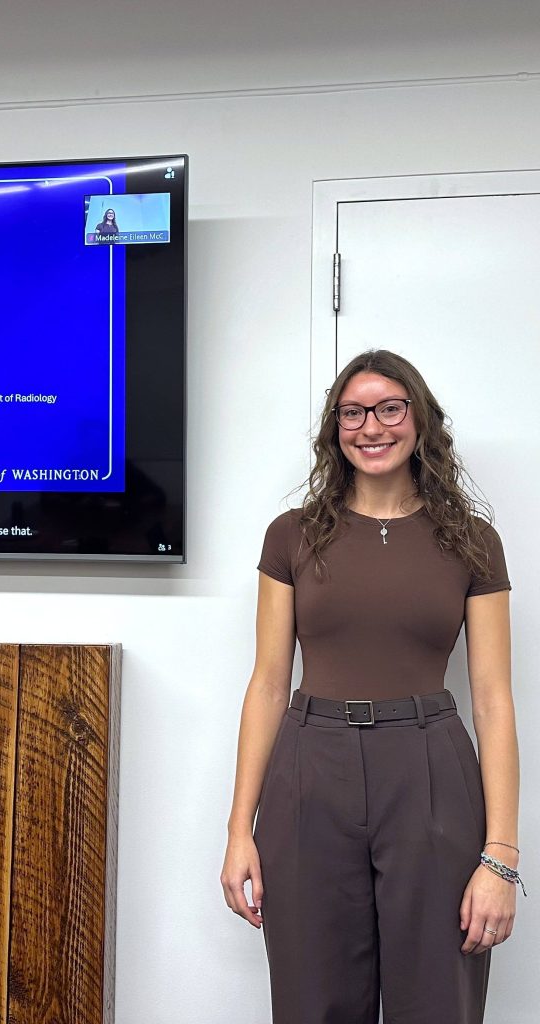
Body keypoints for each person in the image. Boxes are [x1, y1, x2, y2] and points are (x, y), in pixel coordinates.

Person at [220, 350, 522, 1024]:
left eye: (390, 408)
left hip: (430, 768)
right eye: (353, 413)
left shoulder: (472, 542)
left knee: (438, 1001)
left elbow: (495, 700)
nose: (372, 427)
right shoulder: (292, 537)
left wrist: (500, 857)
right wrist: (240, 830)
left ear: (419, 421)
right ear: (335, 430)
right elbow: (269, 684)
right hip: (311, 769)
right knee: (311, 1002)